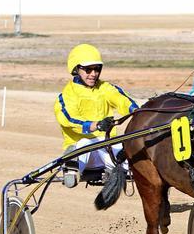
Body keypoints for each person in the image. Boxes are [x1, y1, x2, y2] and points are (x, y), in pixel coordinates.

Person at [54, 44, 139, 188]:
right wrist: (96, 125)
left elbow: (122, 100)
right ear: (76, 69)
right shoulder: (67, 95)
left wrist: (138, 112)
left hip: (105, 147)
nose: (93, 74)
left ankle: (119, 169)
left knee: (123, 146)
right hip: (84, 153)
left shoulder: (105, 88)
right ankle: (71, 168)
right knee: (83, 144)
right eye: (88, 69)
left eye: (97, 69)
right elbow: (68, 120)